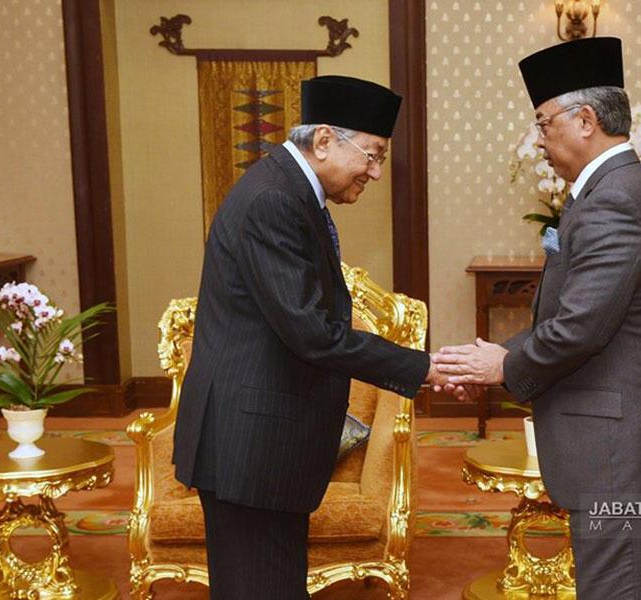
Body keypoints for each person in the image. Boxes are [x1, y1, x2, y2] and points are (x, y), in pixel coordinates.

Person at [172, 75, 463, 599]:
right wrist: (423, 367)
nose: (375, 172)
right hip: (251, 442)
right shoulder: (274, 200)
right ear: (324, 140)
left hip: (262, 440)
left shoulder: (288, 190)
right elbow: (313, 334)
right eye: (372, 155)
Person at [432, 38, 641, 599]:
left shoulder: (613, 198)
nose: (538, 138)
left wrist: (501, 365)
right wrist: (496, 359)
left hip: (618, 454)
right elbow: (577, 316)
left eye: (543, 122)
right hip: (616, 449)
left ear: (585, 120)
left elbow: (580, 327)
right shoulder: (606, 189)